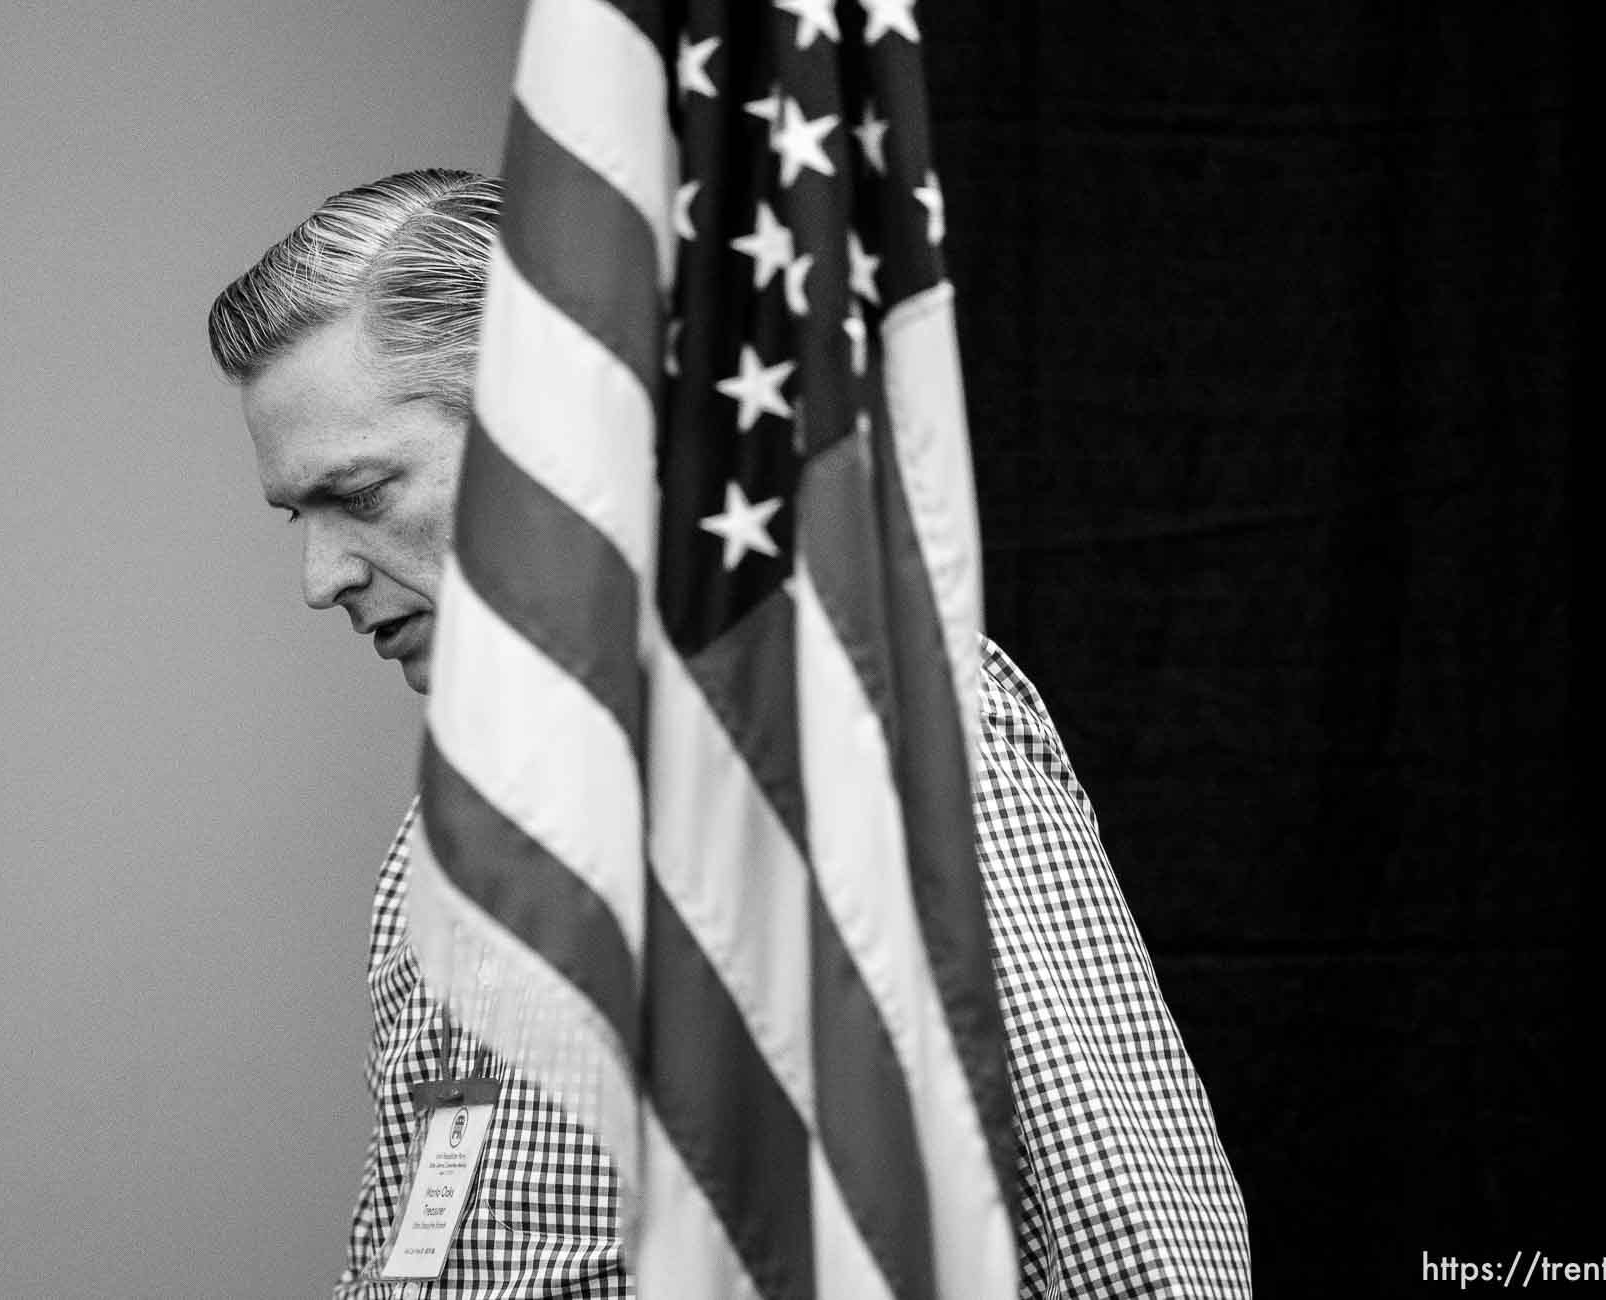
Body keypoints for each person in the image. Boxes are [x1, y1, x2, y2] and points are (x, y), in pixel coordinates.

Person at [209, 169, 1251, 1299]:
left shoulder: (864, 733)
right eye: (295, 517)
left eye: (358, 494)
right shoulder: (433, 848)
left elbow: (1143, 1259)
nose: (320, 578)